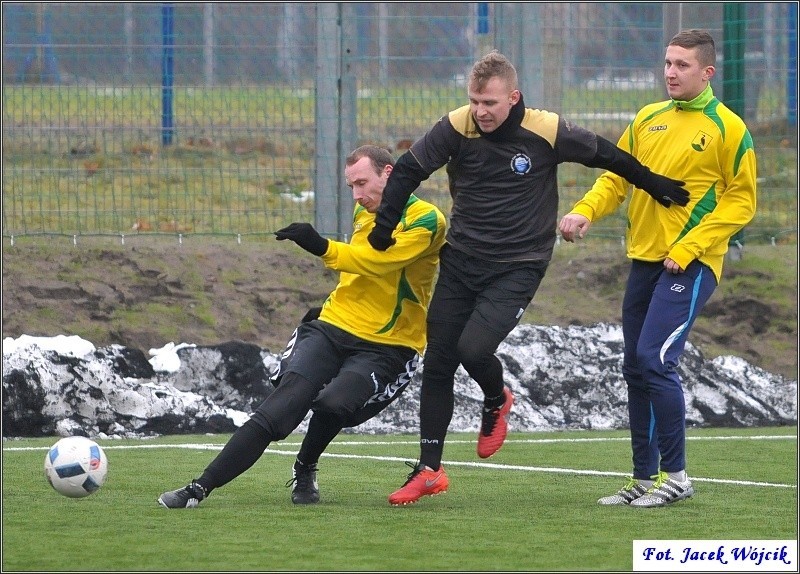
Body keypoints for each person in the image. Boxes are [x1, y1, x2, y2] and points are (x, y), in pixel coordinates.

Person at [367, 49, 691, 506]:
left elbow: (607, 155)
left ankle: (497, 397)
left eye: (491, 104)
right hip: (461, 260)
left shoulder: (545, 129)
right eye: (475, 101)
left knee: (472, 349)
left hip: (519, 265)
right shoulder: (456, 126)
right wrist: (384, 227)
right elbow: (407, 172)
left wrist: (653, 183)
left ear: (513, 97)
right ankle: (429, 470)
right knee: (438, 361)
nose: (481, 111)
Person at [158, 145, 446, 508]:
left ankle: (305, 465)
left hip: (389, 345)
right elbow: (356, 270)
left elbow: (376, 264)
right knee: (281, 409)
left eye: (362, 183)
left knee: (333, 404)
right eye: (351, 186)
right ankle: (198, 489)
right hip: (332, 326)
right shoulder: (365, 210)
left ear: (389, 173)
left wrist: (322, 246)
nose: (357, 195)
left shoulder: (427, 219)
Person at [559, 29, 757, 507]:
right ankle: (643, 479)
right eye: (667, 63)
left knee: (654, 360)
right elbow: (617, 178)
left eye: (682, 65)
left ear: (707, 72)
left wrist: (690, 247)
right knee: (636, 367)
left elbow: (742, 202)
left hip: (689, 267)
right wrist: (586, 210)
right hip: (645, 260)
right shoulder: (648, 117)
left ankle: (678, 478)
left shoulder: (729, 128)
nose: (670, 72)